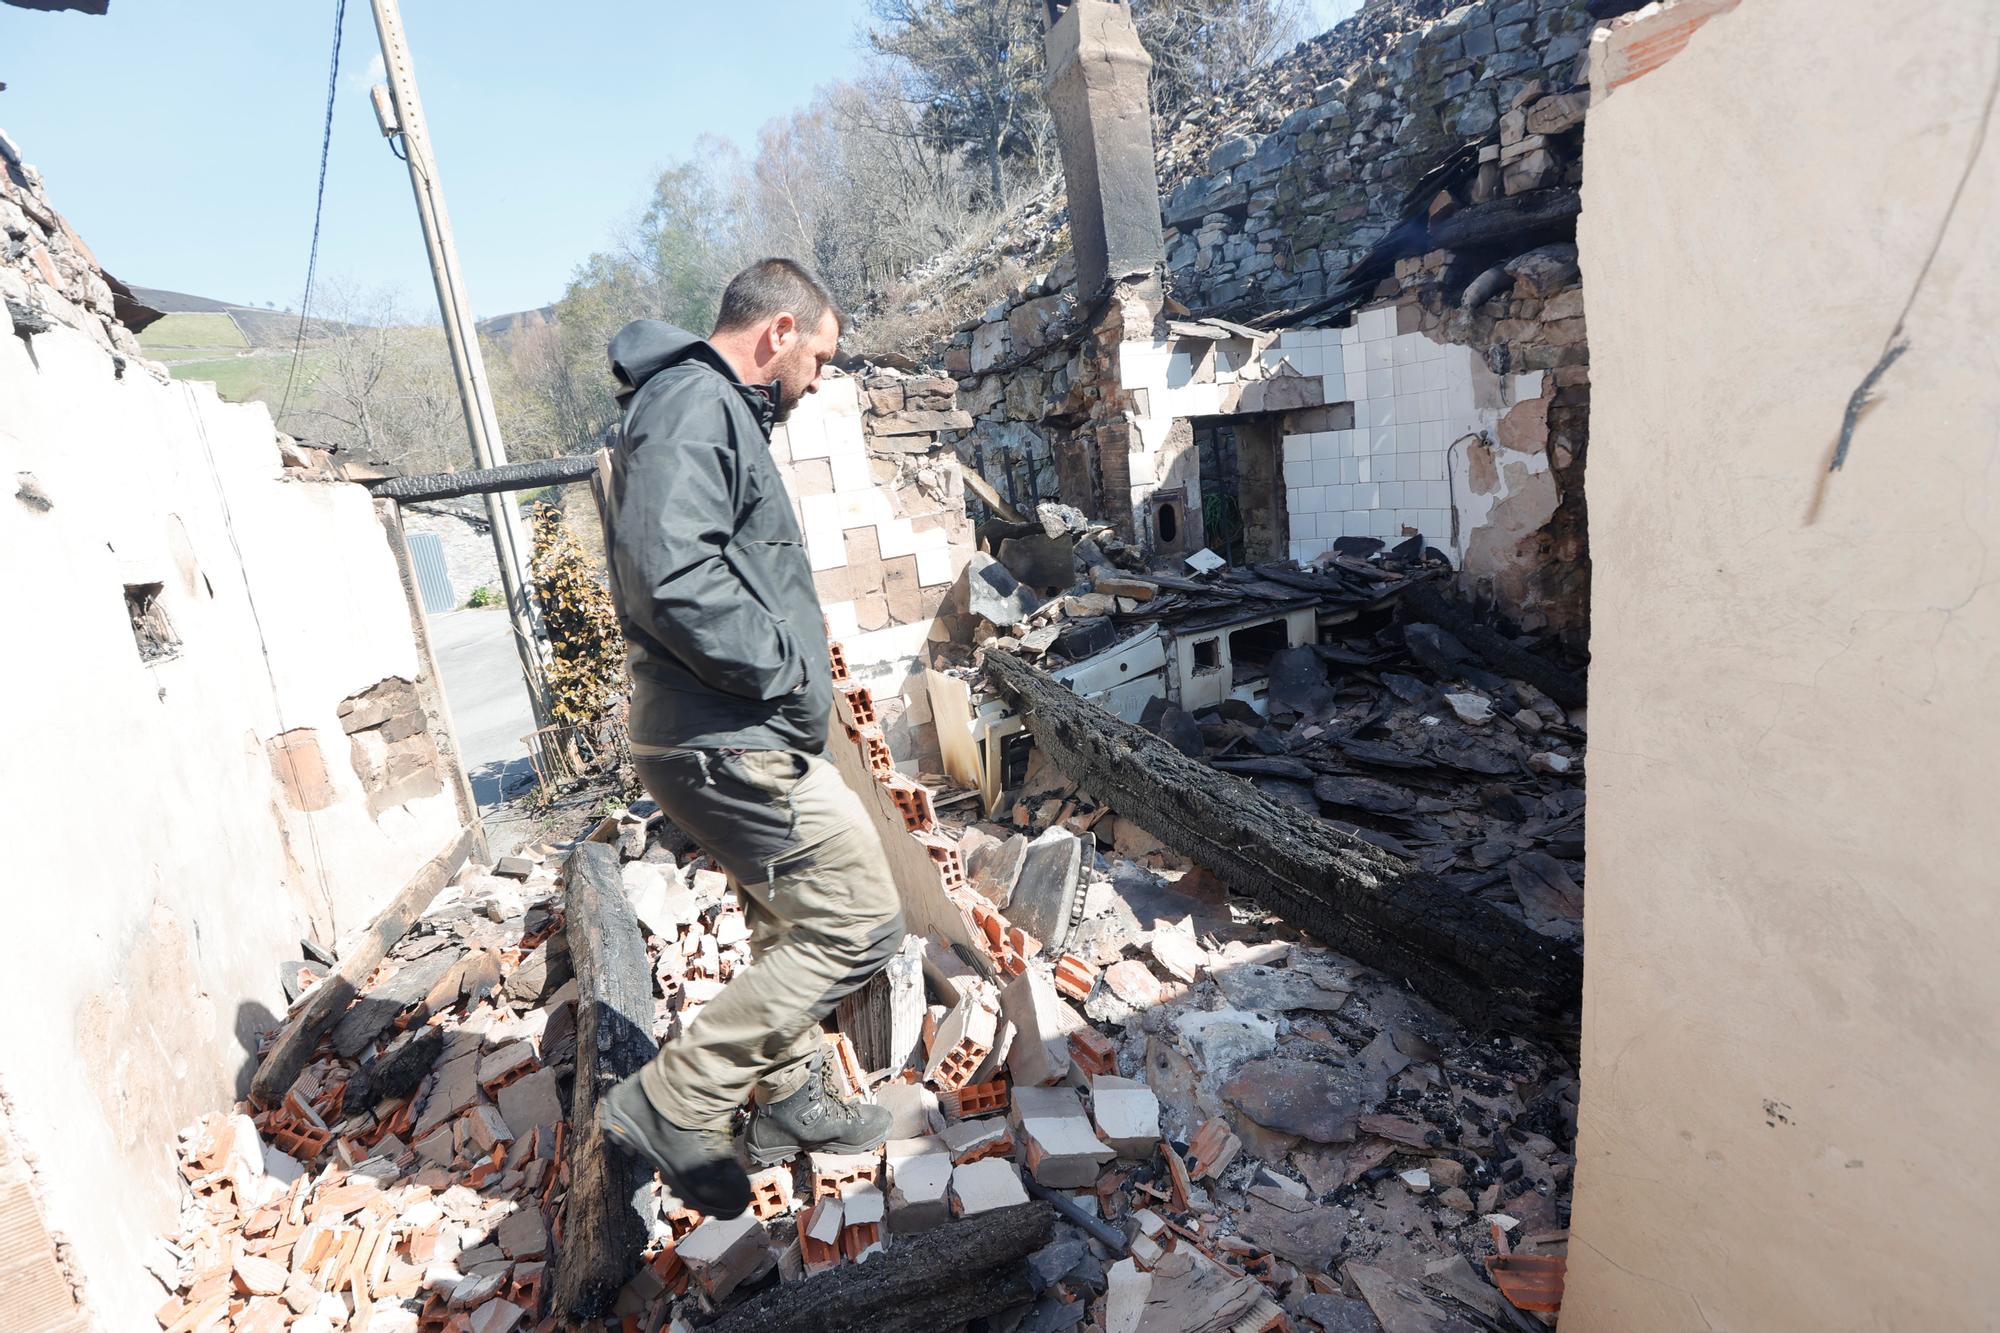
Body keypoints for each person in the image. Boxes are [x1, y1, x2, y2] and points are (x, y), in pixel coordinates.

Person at [594, 259, 901, 1220]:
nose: (816, 379)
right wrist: (787, 665)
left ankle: (791, 1098)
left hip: (728, 729)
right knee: (860, 915)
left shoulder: (706, 406)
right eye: (817, 354)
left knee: (790, 917)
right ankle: (674, 1099)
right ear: (776, 334)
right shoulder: (695, 402)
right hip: (725, 734)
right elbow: (668, 571)